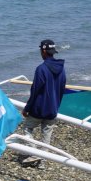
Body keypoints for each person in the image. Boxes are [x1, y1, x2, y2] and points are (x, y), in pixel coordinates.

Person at [18, 38, 67, 167]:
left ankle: (34, 153)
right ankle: (42, 162)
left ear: (44, 51)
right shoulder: (61, 69)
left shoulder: (41, 69)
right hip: (52, 109)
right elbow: (62, 89)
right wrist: (56, 105)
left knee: (27, 129)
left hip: (38, 109)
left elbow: (35, 90)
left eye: (41, 50)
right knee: (46, 135)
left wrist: (27, 108)